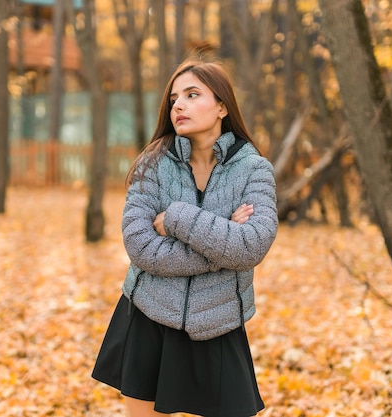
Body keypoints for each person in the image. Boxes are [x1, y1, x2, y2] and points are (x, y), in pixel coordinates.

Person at [92, 59, 279, 417]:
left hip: (219, 321)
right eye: (174, 98)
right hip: (148, 316)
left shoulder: (255, 169)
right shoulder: (152, 163)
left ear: (222, 106)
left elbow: (251, 246)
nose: (178, 105)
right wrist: (223, 236)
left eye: (193, 95)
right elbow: (142, 248)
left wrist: (178, 218)